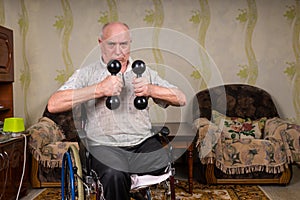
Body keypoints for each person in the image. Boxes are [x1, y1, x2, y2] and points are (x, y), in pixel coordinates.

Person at [48, 22, 186, 200]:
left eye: (124, 44)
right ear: (100, 42)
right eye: (112, 44)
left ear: (130, 43)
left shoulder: (144, 72)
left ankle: (126, 182)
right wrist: (99, 89)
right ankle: (122, 182)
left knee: (162, 162)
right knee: (114, 173)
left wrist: (151, 89)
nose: (119, 51)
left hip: (141, 142)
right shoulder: (86, 74)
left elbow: (181, 98)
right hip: (104, 145)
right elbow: (53, 104)